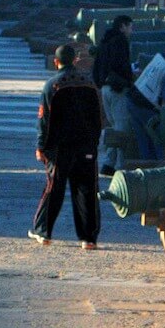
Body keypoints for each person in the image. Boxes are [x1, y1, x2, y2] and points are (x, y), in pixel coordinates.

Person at [32, 45, 106, 249]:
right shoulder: (90, 84)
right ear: (75, 60)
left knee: (54, 189)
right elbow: (99, 117)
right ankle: (88, 238)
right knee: (87, 191)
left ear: (56, 62)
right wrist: (94, 142)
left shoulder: (52, 85)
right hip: (86, 146)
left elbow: (44, 120)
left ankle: (44, 232)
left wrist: (41, 146)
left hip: (59, 148)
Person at [91, 15, 135, 174]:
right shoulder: (120, 41)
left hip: (105, 88)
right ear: (122, 26)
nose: (131, 31)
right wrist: (129, 81)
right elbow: (122, 65)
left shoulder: (104, 41)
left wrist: (100, 83)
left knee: (114, 125)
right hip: (117, 89)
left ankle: (108, 164)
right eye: (130, 27)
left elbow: (96, 66)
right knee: (122, 126)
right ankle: (120, 164)